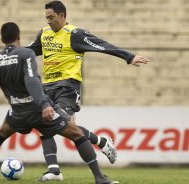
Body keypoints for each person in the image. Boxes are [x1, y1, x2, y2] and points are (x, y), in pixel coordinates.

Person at [0, 22, 119, 184]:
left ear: (2, 39)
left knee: (0, 134)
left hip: (16, 112)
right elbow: (32, 80)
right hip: (38, 109)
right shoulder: (26, 54)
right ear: (19, 37)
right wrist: (45, 105)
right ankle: (99, 177)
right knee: (76, 134)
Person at [26, 0, 150, 181]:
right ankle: (55, 169)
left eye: (51, 17)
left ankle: (97, 157)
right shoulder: (44, 34)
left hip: (67, 88)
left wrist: (128, 56)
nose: (48, 21)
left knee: (63, 124)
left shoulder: (75, 34)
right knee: (48, 124)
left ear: (62, 15)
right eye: (46, 18)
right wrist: (13, 55)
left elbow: (102, 45)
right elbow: (28, 52)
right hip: (47, 88)